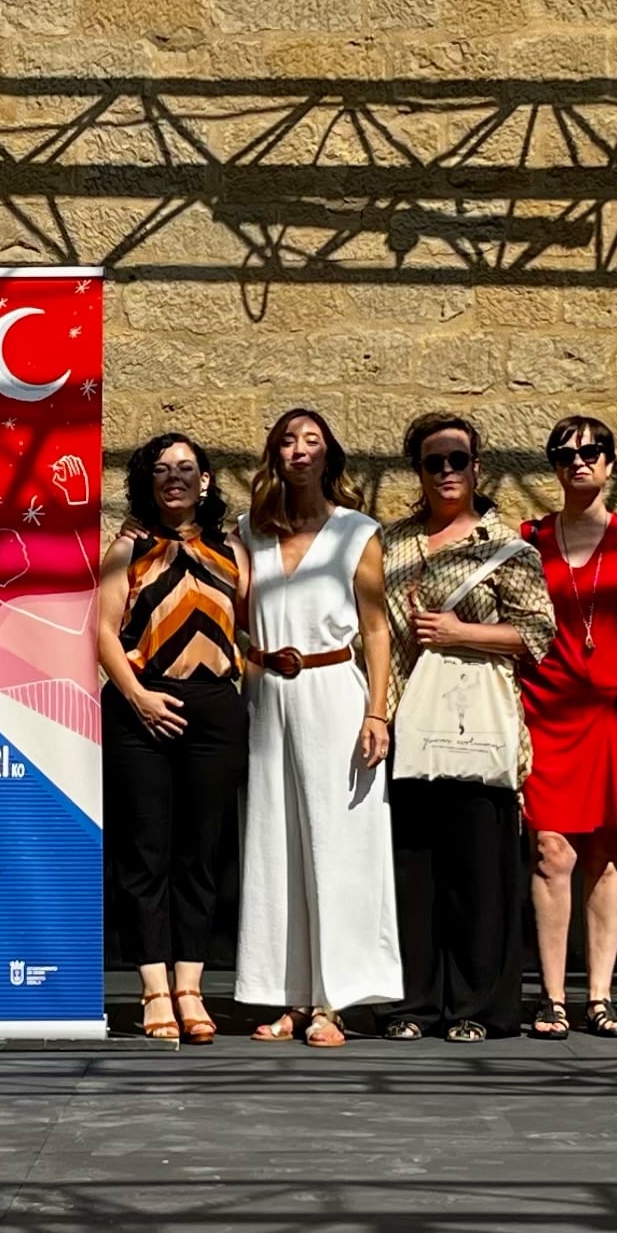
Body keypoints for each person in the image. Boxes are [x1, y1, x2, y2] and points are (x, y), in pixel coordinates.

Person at [377, 414, 554, 1043]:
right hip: (405, 722)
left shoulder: (505, 545)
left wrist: (460, 634)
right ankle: (414, 1003)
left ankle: (479, 1008)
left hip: (477, 720)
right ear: (417, 471)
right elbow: (376, 635)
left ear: (477, 467)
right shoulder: (392, 542)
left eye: (459, 460)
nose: (447, 472)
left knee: (480, 873)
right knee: (414, 873)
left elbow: (539, 633)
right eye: (433, 462)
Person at [238, 407, 401, 1045]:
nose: (299, 450)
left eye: (310, 440)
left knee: (339, 844)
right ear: (274, 455)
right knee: (274, 844)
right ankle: (288, 997)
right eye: (286, 441)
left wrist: (377, 709)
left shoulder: (356, 531)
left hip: (335, 690)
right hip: (267, 692)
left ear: (327, 453)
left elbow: (377, 628)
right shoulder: (247, 529)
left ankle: (335, 1000)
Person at [92, 432, 250, 1045]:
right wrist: (138, 696)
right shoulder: (127, 546)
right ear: (147, 482)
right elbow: (103, 632)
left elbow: (247, 628)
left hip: (214, 708)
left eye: (186, 467)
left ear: (205, 480)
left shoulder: (232, 548)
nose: (174, 477)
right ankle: (154, 989)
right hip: (143, 702)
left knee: (202, 854)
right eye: (161, 469)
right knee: (145, 854)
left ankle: (191, 986)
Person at [520, 415, 617, 1040]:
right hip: (544, 706)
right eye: (565, 453)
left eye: (593, 451)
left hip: (611, 711)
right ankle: (552, 997)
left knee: (603, 853)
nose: (580, 462)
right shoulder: (525, 539)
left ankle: (600, 995)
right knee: (551, 851)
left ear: (610, 464)